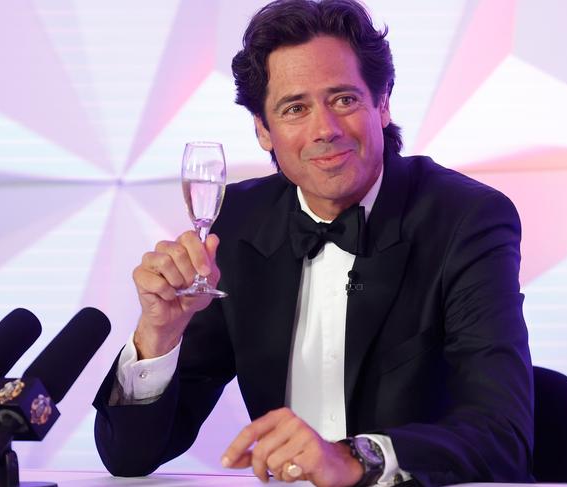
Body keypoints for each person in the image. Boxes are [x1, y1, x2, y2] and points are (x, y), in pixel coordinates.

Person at [93, 1, 534, 486]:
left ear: (382, 103)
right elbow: (129, 458)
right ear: (263, 130)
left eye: (343, 99)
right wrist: (158, 336)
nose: (324, 129)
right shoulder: (238, 223)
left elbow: (501, 434)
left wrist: (356, 459)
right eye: (295, 108)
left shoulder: (466, 220)